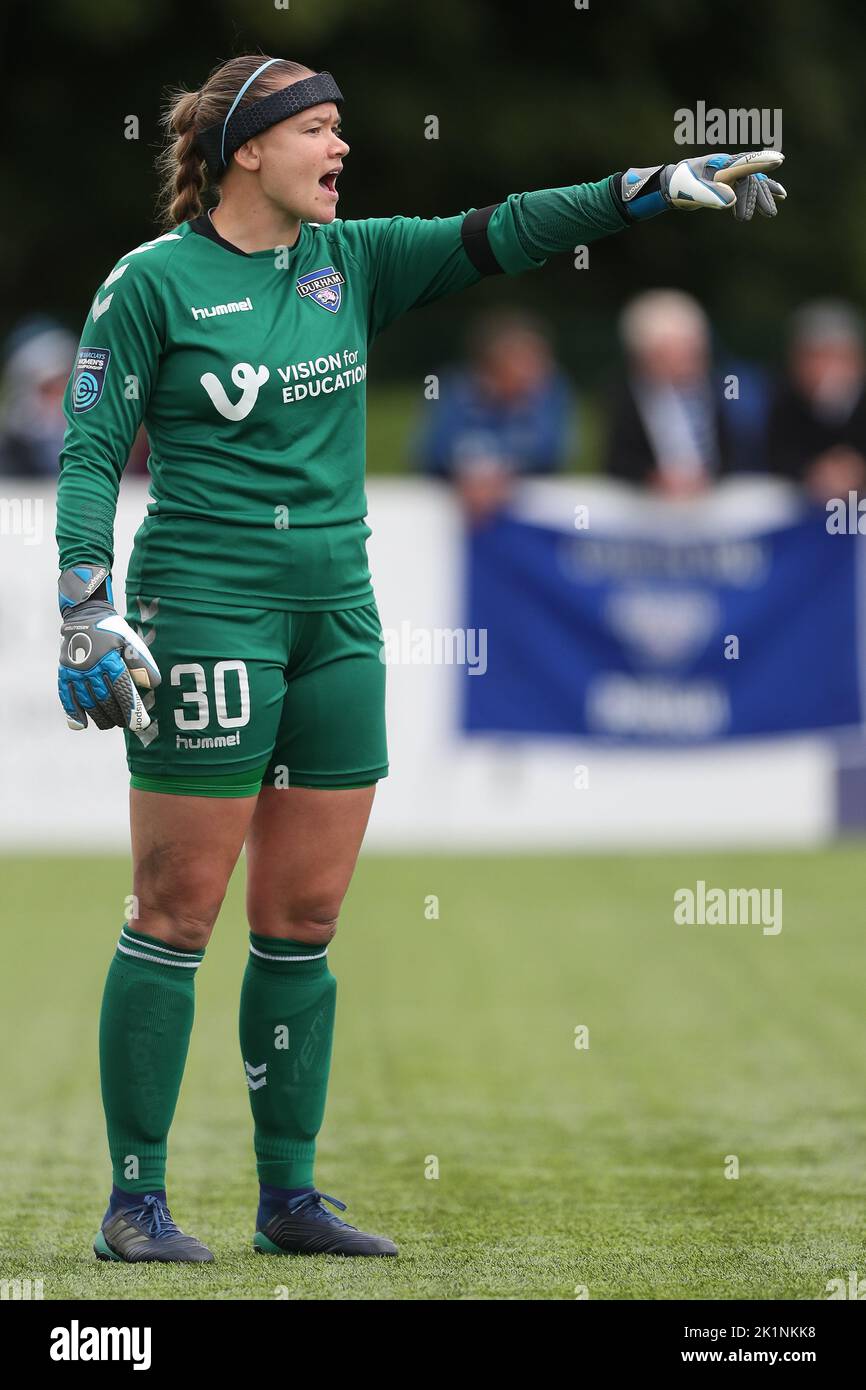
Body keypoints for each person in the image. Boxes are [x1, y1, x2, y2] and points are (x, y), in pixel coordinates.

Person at [54, 54, 787, 1264]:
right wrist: (86, 600)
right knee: (177, 909)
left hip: (337, 617)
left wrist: (650, 185)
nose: (342, 149)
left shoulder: (350, 262)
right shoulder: (150, 286)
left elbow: (503, 230)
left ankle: (287, 1198)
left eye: (342, 129)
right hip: (208, 616)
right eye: (320, 131)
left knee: (306, 915)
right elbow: (89, 454)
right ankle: (134, 1204)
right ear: (248, 150)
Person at [412, 308, 574, 525]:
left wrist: (500, 478)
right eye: (526, 359)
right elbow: (431, 450)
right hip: (449, 517)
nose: (539, 369)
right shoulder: (450, 389)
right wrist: (469, 477)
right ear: (495, 361)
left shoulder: (550, 391)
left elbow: (553, 450)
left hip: (529, 516)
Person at [603, 289, 736, 496]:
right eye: (670, 354)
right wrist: (653, 478)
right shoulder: (624, 398)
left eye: (691, 352)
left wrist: (708, 477)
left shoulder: (717, 392)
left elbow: (734, 454)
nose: (685, 363)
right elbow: (617, 461)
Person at [765, 299, 866, 502]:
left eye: (835, 357)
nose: (825, 369)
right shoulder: (784, 396)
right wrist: (813, 471)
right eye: (814, 358)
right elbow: (778, 456)